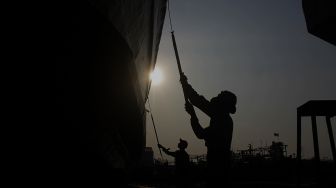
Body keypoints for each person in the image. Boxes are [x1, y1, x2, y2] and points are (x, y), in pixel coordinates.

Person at [181, 73, 237, 187]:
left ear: (223, 104)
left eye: (220, 96)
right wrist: (185, 85)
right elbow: (198, 101)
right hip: (219, 165)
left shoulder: (222, 120)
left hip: (218, 167)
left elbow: (200, 134)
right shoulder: (220, 115)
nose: (216, 96)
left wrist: (193, 114)